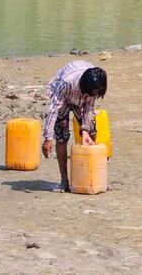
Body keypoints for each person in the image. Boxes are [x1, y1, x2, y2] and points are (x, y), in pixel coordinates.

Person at [41, 61, 108, 192]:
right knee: (62, 136)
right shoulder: (66, 84)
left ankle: (92, 176)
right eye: (91, 93)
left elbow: (89, 108)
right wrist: (48, 138)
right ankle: (64, 181)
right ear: (85, 88)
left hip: (80, 98)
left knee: (91, 129)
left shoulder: (97, 84)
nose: (93, 95)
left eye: (96, 93)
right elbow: (54, 110)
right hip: (64, 98)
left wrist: (84, 131)